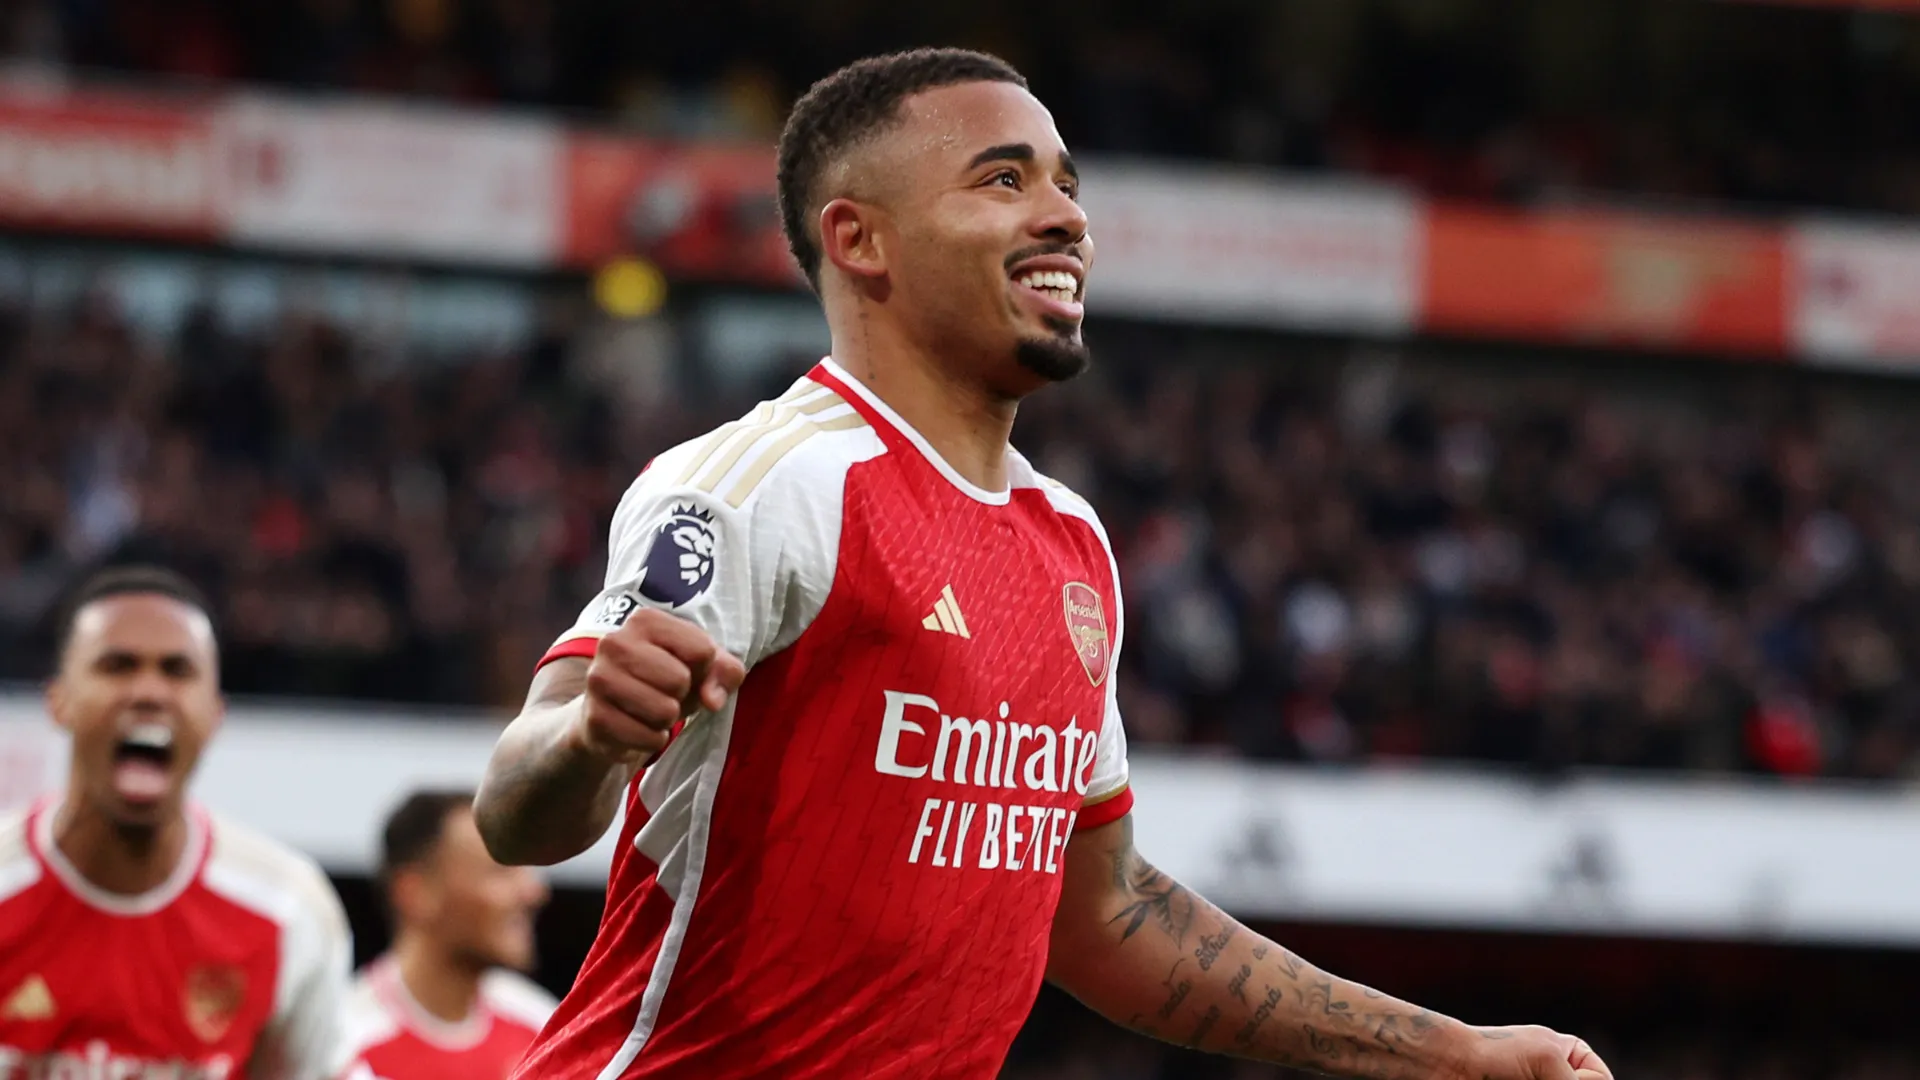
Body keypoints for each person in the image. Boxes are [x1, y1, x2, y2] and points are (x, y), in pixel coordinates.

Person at [474, 47, 1616, 1080]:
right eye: (1004, 180)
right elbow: (520, 812)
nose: (1065, 216)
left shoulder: (1068, 541)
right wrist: (586, 739)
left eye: (1068, 182)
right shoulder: (770, 482)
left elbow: (1100, 912)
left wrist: (1452, 1053)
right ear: (857, 239)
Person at [0, 565, 357, 1080]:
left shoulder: (287, 909)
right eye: (117, 666)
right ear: (58, 703)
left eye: (176, 670)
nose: (149, 692)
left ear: (215, 714)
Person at [346, 790, 555, 1079]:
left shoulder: (540, 1027)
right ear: (415, 892)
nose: (534, 893)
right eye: (499, 872)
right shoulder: (347, 1048)